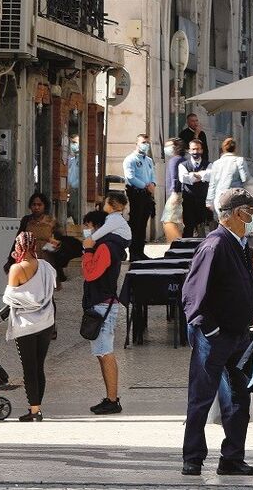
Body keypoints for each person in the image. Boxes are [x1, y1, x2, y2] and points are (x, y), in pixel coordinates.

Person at [181, 188, 253, 477]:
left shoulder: (240, 245)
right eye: (251, 211)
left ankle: (232, 458)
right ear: (235, 215)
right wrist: (212, 330)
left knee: (239, 399)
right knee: (202, 398)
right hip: (215, 337)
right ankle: (192, 458)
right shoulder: (215, 245)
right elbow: (193, 295)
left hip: (238, 336)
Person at [3, 231, 57, 422]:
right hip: (46, 323)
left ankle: (34, 410)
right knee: (39, 366)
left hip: (26, 326)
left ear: (18, 246)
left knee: (29, 368)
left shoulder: (16, 269)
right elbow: (52, 290)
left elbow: (9, 297)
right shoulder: (46, 267)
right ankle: (37, 407)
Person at [81, 208, 130, 415]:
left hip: (103, 305)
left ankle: (112, 399)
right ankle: (110, 397)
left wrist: (88, 251)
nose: (86, 231)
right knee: (101, 353)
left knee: (106, 352)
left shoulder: (105, 248)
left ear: (97, 227)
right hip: (99, 303)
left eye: (88, 227)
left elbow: (91, 274)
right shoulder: (106, 246)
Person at [123, 133, 156, 261]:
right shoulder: (130, 159)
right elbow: (130, 177)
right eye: (143, 142)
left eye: (147, 142)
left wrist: (152, 184)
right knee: (135, 223)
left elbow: (152, 174)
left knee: (143, 224)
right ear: (136, 144)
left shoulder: (148, 160)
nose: (145, 145)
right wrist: (144, 186)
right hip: (136, 193)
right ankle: (133, 253)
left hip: (147, 194)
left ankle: (140, 251)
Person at [206, 137, 250, 218]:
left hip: (220, 199)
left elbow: (212, 184)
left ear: (223, 149)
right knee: (235, 224)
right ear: (235, 149)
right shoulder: (239, 161)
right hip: (235, 198)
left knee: (223, 223)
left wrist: (209, 202)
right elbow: (245, 178)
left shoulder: (216, 163)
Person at [180, 139, 212, 238]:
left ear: (202, 150)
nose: (195, 152)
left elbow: (210, 176)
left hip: (202, 200)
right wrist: (202, 176)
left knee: (201, 227)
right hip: (188, 200)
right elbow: (183, 178)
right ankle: (185, 251)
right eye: (193, 149)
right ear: (189, 151)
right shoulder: (183, 165)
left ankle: (201, 250)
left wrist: (193, 175)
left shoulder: (209, 164)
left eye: (198, 149)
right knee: (188, 227)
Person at [163, 137, 187, 242]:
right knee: (177, 221)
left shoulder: (174, 160)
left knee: (168, 220)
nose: (166, 148)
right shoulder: (184, 159)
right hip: (181, 193)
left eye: (169, 146)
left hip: (176, 194)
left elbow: (175, 178)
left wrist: (174, 193)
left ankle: (174, 243)